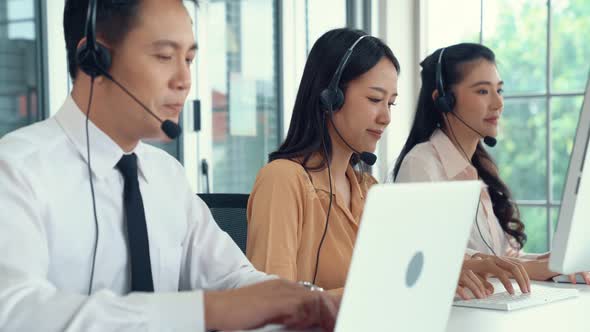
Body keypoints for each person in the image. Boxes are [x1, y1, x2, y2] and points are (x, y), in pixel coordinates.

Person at [0, 1, 338, 331]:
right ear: (95, 60)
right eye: (164, 57)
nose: (184, 79)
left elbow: (232, 279)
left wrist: (306, 304)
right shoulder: (15, 170)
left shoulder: (166, 175)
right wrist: (206, 312)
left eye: (189, 58)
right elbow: (13, 310)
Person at [392, 43, 590, 289]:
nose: (498, 103)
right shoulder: (421, 165)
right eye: (483, 92)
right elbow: (428, 262)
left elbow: (502, 257)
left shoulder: (477, 167)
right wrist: (536, 268)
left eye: (499, 90)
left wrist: (553, 261)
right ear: (443, 100)